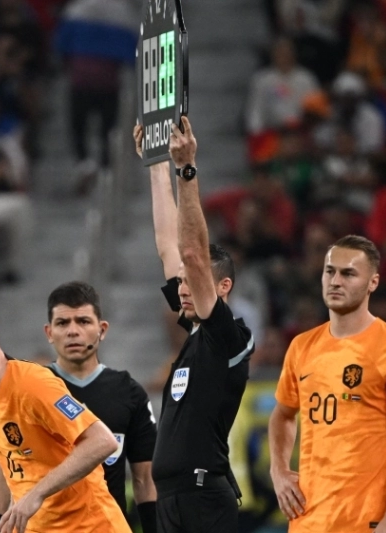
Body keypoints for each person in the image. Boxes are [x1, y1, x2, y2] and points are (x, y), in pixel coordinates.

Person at [136, 116, 255, 532]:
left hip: (204, 498)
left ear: (222, 287)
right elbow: (169, 245)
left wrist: (186, 170)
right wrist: (155, 164)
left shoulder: (228, 336)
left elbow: (190, 254)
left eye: (192, 282)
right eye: (180, 283)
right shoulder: (195, 333)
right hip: (172, 499)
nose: (181, 288)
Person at [268, 234, 386, 532]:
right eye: (330, 271)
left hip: (366, 520)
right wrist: (278, 470)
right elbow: (282, 415)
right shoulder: (301, 346)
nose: (335, 281)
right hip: (307, 520)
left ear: (373, 283)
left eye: (348, 273)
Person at [0, 298, 130, 533]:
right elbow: (2, 453)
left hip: (91, 526)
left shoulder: (32, 385)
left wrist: (36, 494)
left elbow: (102, 442)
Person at [43, 281, 158, 532]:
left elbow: (144, 478)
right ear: (49, 333)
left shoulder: (129, 392)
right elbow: (3, 471)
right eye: (63, 323)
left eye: (83, 321)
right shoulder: (30, 390)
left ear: (102, 329)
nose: (73, 331)